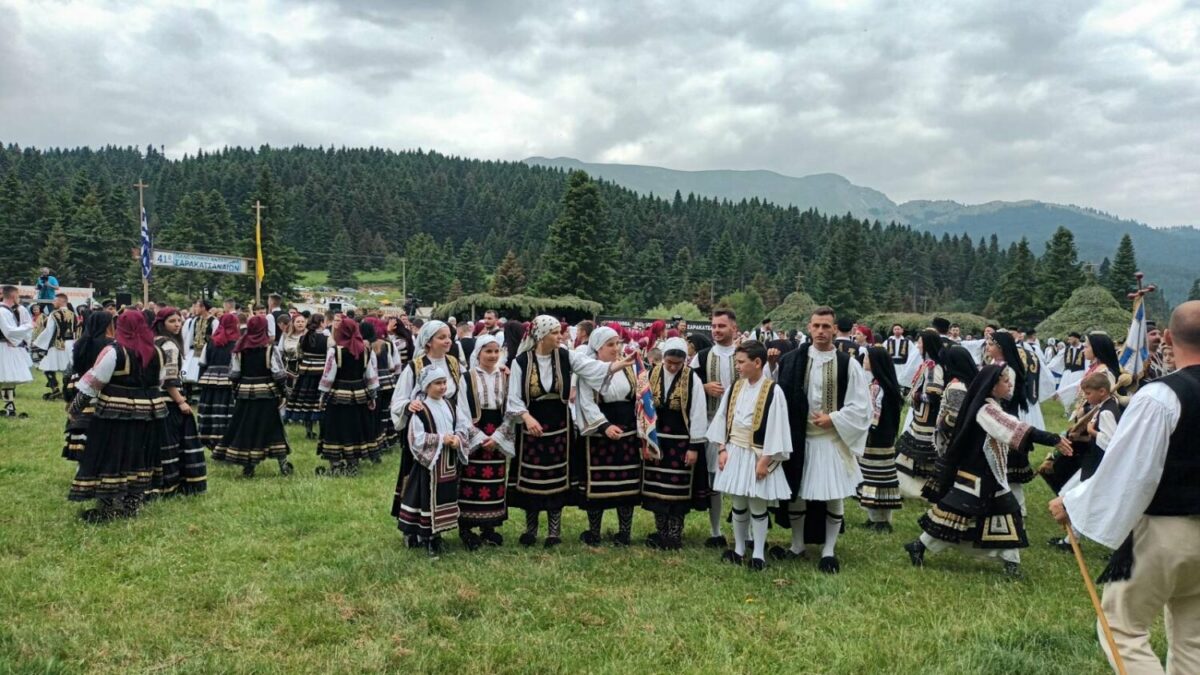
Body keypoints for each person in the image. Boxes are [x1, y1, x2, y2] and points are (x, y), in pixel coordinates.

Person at [1050, 301, 1200, 674]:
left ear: (1168, 338)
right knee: (1193, 638)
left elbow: (1131, 470)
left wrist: (1072, 502)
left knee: (1122, 629)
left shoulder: (1162, 396)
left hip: (1165, 531)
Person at [906, 365, 1070, 578]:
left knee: (1003, 512)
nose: (1010, 385)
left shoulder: (990, 405)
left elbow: (1012, 426)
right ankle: (919, 545)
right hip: (977, 475)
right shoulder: (986, 410)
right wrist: (1052, 438)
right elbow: (1013, 428)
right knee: (955, 517)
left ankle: (1011, 563)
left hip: (988, 474)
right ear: (992, 386)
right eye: (1005, 381)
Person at [502, 315, 629, 547]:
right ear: (541, 336)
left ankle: (554, 532)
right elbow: (514, 398)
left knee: (557, 478)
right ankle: (530, 530)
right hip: (532, 425)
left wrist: (617, 365)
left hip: (560, 425)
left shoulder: (565, 356)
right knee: (532, 478)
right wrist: (527, 418)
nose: (559, 336)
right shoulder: (521, 361)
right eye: (554, 333)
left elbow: (590, 367)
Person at [771, 307, 872, 574]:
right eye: (816, 326)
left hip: (830, 439)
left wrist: (834, 418)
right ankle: (797, 545)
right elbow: (777, 394)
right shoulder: (793, 360)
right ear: (809, 327)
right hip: (799, 438)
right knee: (797, 493)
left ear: (835, 329)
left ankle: (829, 550)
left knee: (833, 495)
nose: (821, 331)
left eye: (826, 326)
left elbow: (862, 405)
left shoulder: (847, 364)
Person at [67, 312, 168, 521]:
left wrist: (75, 408)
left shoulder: (114, 352)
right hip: (148, 413)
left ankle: (109, 505)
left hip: (115, 413)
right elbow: (159, 381)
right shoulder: (158, 352)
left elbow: (94, 383)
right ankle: (132, 504)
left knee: (110, 455)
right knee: (139, 456)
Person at [707, 340, 792, 571]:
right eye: (736, 362)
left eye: (741, 362)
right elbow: (723, 418)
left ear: (757, 362)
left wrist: (765, 460)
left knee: (757, 503)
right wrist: (722, 449)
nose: (737, 366)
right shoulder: (735, 388)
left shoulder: (773, 390)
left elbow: (777, 427)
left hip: (758, 455)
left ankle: (758, 553)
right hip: (735, 450)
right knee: (738, 502)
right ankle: (739, 549)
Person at [572, 326, 645, 546]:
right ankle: (594, 532)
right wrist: (605, 426)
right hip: (600, 434)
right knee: (598, 485)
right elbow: (585, 402)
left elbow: (639, 397)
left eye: (617, 343)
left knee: (627, 485)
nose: (616, 348)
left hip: (627, 433)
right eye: (610, 345)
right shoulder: (588, 370)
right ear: (598, 348)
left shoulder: (628, 367)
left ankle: (624, 533)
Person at [396, 365, 472, 555]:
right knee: (424, 498)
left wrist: (458, 439)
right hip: (428, 465)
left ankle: (436, 534)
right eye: (437, 383)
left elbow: (463, 426)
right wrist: (440, 439)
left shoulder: (451, 405)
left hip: (448, 462)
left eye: (444, 382)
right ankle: (421, 534)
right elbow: (416, 438)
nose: (442, 387)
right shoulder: (421, 409)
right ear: (426, 386)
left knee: (444, 496)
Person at [642, 337, 710, 550]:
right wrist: (644, 441)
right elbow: (642, 409)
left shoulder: (692, 379)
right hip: (657, 441)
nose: (672, 367)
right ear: (663, 358)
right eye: (669, 362)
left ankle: (674, 535)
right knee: (656, 490)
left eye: (677, 364)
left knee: (677, 492)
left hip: (681, 443)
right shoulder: (651, 374)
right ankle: (661, 533)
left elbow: (698, 413)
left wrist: (694, 447)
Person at [212, 315, 293, 477]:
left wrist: (237, 391)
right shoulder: (270, 349)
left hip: (245, 395)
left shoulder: (239, 348)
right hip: (267, 395)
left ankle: (248, 465)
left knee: (247, 426)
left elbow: (234, 374)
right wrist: (284, 393)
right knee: (272, 427)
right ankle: (283, 464)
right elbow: (278, 374)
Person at [456, 335, 514, 549]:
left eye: (496, 351)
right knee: (470, 480)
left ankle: (489, 527)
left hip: (497, 431)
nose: (492, 355)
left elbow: (511, 407)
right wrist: (479, 437)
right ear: (478, 353)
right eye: (488, 351)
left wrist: (498, 436)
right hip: (475, 432)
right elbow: (461, 409)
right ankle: (466, 528)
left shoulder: (505, 377)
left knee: (495, 479)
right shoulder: (466, 377)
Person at [691, 309, 740, 548]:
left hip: (741, 426)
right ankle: (715, 530)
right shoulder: (702, 356)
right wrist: (704, 386)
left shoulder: (745, 354)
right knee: (714, 480)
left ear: (734, 328)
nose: (716, 330)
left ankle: (746, 533)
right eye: (714, 326)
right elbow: (686, 384)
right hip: (711, 424)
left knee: (742, 479)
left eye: (721, 326)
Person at [150, 307, 207, 496]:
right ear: (161, 323)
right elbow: (170, 379)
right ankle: (173, 483)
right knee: (174, 443)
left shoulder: (152, 341)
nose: (177, 325)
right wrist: (181, 401)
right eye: (172, 321)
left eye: (179, 321)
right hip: (168, 401)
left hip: (153, 399)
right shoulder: (169, 346)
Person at [317, 318, 379, 476]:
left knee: (336, 427)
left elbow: (328, 375)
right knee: (355, 426)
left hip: (338, 395)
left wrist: (322, 395)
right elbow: (371, 376)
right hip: (360, 395)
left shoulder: (335, 351)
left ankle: (336, 464)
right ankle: (353, 463)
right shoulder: (365, 351)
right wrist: (372, 396)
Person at [856, 346, 903, 532]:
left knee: (873, 477)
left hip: (875, 438)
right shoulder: (887, 385)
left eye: (867, 358)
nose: (864, 360)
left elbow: (873, 417)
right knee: (883, 477)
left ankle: (879, 520)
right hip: (886, 438)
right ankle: (878, 518)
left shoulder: (876, 387)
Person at [895, 331, 946, 497]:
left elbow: (934, 394)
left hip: (927, 418)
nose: (918, 345)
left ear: (928, 344)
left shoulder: (933, 367)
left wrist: (916, 396)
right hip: (921, 416)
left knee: (924, 453)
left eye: (920, 342)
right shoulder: (928, 364)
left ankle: (920, 488)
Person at [62, 310, 114, 461]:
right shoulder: (109, 345)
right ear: (107, 325)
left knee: (80, 422)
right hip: (101, 389)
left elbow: (70, 369)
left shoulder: (80, 343)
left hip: (79, 387)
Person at [196, 313, 239, 450]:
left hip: (210, 381)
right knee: (226, 410)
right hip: (229, 380)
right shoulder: (237, 343)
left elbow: (203, 363)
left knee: (210, 409)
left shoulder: (210, 342)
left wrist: (201, 381)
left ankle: (210, 439)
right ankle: (227, 439)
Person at [285, 314, 326, 439]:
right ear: (321, 323)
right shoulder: (327, 338)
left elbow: (299, 355)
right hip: (321, 373)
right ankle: (323, 432)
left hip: (306, 373)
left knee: (307, 402)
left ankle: (309, 431)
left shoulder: (303, 338)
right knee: (320, 402)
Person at [366, 317, 402, 454]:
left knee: (374, 413)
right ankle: (388, 440)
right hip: (388, 382)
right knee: (386, 412)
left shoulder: (364, 345)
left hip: (372, 384)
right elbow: (395, 365)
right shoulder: (388, 344)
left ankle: (375, 441)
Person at [32, 293, 77, 401]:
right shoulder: (73, 314)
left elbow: (49, 331)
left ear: (61, 301)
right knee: (68, 369)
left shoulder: (54, 314)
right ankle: (67, 391)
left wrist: (37, 342)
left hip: (57, 344)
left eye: (55, 300)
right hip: (70, 344)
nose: (53, 302)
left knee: (47, 367)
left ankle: (55, 389)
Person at [0, 286, 34, 417]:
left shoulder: (6, 311)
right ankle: (9, 407)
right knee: (6, 378)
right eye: (18, 295)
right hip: (3, 347)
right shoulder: (3, 311)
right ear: (14, 296)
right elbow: (10, 331)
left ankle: (10, 407)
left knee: (7, 379)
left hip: (6, 346)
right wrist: (29, 326)